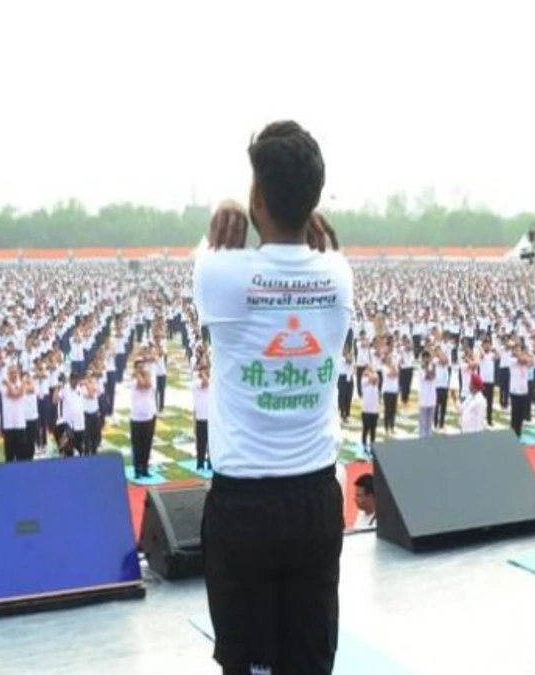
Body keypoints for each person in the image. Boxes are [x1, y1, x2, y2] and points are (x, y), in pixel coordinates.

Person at [195, 120, 352, 674]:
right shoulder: (338, 274)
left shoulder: (220, 275)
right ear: (313, 201)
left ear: (258, 196)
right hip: (316, 499)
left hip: (245, 508)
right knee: (310, 660)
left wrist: (228, 208)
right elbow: (310, 248)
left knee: (248, 664)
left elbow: (216, 244)